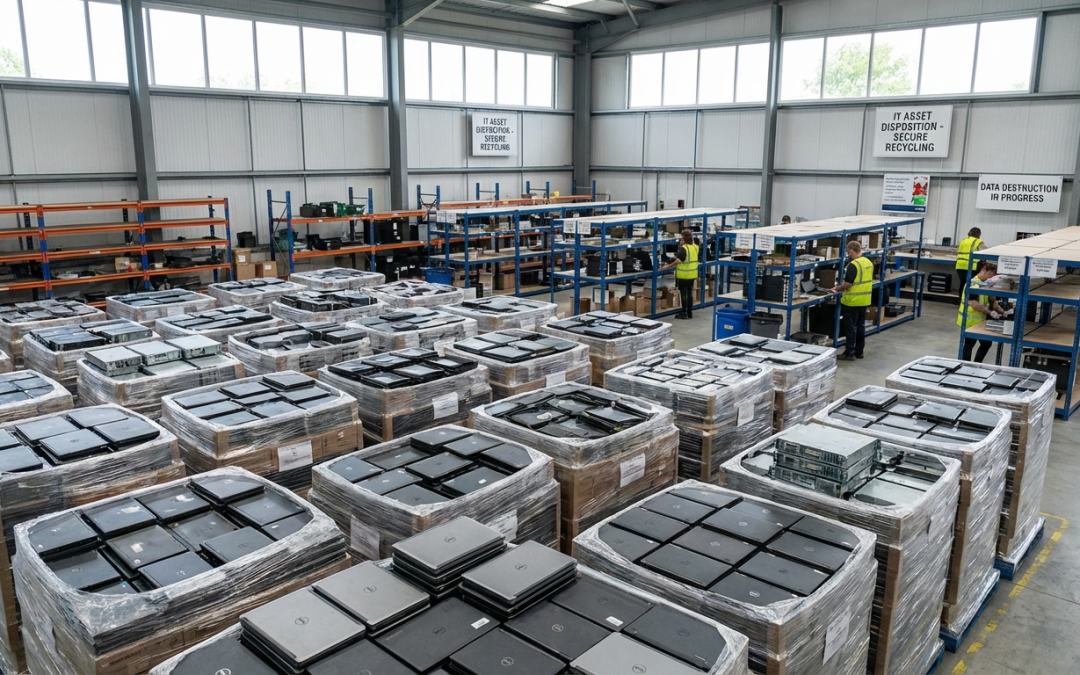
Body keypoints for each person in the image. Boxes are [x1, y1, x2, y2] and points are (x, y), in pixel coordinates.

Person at [829, 240, 874, 361]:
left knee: (850, 328)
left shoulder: (853, 265)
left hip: (852, 301)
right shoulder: (868, 262)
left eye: (849, 252)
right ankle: (859, 352)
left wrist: (837, 289)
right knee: (860, 327)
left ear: (853, 251)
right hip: (864, 300)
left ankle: (849, 352)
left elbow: (848, 284)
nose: (849, 255)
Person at [958, 260, 1003, 363]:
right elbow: (974, 304)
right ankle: (966, 365)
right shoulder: (973, 284)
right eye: (990, 274)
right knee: (971, 344)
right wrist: (990, 312)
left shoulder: (986, 283)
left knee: (985, 344)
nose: (991, 277)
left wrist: (1003, 312)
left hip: (981, 321)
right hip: (970, 321)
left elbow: (992, 300)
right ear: (983, 270)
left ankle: (974, 364)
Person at [662, 228, 700, 320]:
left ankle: (684, 313)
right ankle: (689, 312)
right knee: (689, 293)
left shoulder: (684, 248)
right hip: (693, 274)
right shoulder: (695, 247)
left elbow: (679, 261)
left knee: (684, 294)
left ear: (683, 239)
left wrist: (666, 267)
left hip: (684, 275)